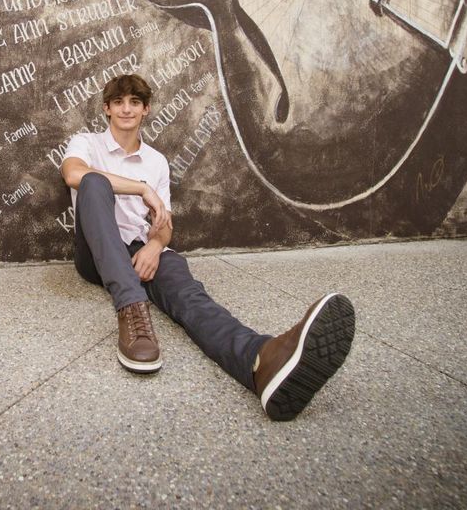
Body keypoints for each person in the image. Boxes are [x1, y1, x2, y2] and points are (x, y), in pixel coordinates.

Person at [60, 74, 355, 421]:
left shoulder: (156, 161)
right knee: (94, 182)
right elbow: (73, 175)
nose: (127, 109)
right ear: (107, 109)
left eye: (135, 102)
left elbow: (163, 226)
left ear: (146, 109)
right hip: (96, 253)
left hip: (141, 251)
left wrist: (155, 247)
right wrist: (141, 189)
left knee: (191, 297)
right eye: (119, 102)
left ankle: (260, 362)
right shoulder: (87, 143)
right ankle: (132, 308)